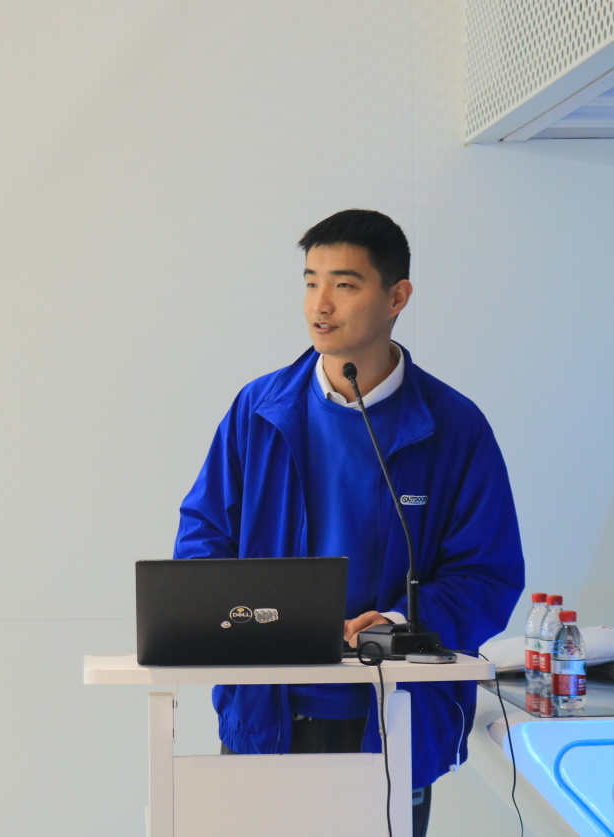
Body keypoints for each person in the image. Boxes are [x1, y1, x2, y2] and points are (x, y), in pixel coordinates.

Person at [173, 209, 524, 837]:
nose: (321, 304)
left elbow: (487, 573)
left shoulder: (454, 426)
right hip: (266, 712)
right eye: (310, 282)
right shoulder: (259, 410)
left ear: (397, 297)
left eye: (344, 284)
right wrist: (261, 617)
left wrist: (399, 624)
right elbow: (202, 539)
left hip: (393, 719)